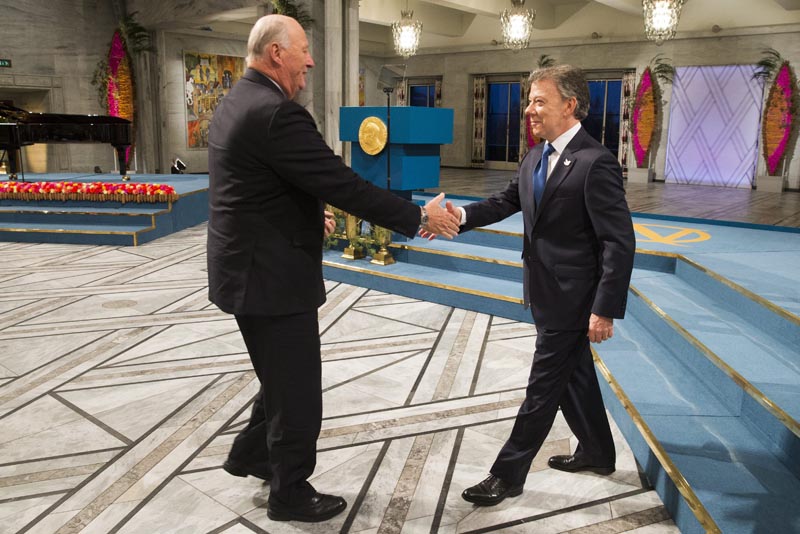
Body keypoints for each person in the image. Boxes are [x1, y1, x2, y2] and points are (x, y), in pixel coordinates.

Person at [206, 14, 461, 523]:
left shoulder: (237, 101)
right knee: (297, 388)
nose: (311, 60)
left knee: (279, 377)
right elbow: (343, 184)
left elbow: (256, 184)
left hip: (243, 267)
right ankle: (290, 494)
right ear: (277, 53)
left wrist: (303, 210)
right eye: (303, 50)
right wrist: (417, 216)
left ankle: (251, 455)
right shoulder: (278, 113)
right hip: (272, 277)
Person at [450, 65, 635, 506]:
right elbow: (504, 202)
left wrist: (604, 307)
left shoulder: (596, 162)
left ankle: (507, 473)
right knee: (575, 376)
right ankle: (597, 451)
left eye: (539, 101)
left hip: (575, 299)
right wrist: (459, 217)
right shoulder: (535, 156)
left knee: (542, 388)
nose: (529, 110)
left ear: (570, 106)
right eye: (529, 101)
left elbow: (618, 240)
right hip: (544, 292)